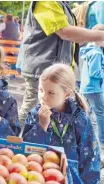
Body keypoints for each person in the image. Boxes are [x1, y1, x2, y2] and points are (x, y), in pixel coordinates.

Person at [18, 1, 104, 130]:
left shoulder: (62, 4)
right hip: (43, 70)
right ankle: (15, 141)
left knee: (53, 113)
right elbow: (65, 32)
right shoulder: (47, 2)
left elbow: (72, 38)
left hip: (57, 71)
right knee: (33, 110)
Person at [22, 63, 101, 184]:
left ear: (67, 94)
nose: (43, 97)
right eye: (41, 90)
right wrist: (41, 127)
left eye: (50, 93)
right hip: (40, 176)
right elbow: (27, 149)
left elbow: (90, 158)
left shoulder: (80, 119)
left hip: (73, 180)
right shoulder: (34, 114)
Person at [79, 24, 104, 165]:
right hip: (94, 89)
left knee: (89, 114)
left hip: (86, 88)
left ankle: (89, 137)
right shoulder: (96, 53)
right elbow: (95, 73)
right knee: (101, 114)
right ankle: (102, 142)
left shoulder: (89, 50)